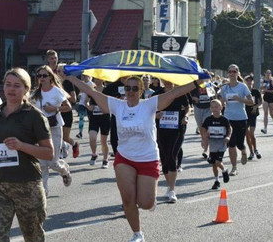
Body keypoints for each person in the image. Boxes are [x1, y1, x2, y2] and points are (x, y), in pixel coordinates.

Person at [66, 74, 206, 242]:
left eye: (134, 88)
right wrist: (70, 77)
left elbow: (175, 93)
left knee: (146, 203)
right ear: (124, 90)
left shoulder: (149, 105)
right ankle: (137, 234)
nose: (130, 91)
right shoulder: (118, 105)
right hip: (125, 157)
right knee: (128, 199)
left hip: (148, 158)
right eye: (127, 88)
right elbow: (92, 92)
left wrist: (198, 81)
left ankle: (148, 199)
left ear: (141, 91)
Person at [0, 68, 54, 241]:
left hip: (27, 185)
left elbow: (48, 152)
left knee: (33, 237)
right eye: (8, 84)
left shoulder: (34, 116)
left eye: (17, 85)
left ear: (26, 89)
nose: (11, 89)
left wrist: (21, 145)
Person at [30, 65, 73, 195]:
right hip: (40, 130)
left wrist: (55, 108)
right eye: (39, 76)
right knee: (42, 163)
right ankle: (44, 191)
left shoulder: (57, 91)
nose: (41, 78)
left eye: (44, 75)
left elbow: (69, 107)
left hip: (54, 127)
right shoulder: (35, 93)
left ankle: (64, 170)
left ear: (50, 77)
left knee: (53, 162)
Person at [152, 79, 189, 203]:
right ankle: (169, 186)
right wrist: (155, 115)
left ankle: (172, 190)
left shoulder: (180, 93)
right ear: (162, 80)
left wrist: (185, 116)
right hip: (161, 130)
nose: (168, 83)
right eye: (165, 81)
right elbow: (149, 110)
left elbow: (187, 108)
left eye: (170, 81)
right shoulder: (156, 94)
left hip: (177, 129)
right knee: (164, 158)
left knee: (172, 155)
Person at [220, 64, 254, 176]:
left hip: (241, 118)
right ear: (228, 73)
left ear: (238, 73)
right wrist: (222, 101)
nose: (232, 74)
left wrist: (240, 99)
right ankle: (234, 167)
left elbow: (251, 102)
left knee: (239, 144)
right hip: (228, 118)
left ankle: (244, 151)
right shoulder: (224, 88)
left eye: (234, 71)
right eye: (230, 72)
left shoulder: (242, 87)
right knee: (231, 144)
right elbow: (219, 102)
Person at [201, 99, 231, 190]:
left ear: (221, 107)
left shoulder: (224, 119)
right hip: (212, 144)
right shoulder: (208, 119)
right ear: (210, 108)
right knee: (214, 164)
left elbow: (230, 129)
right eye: (212, 107)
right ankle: (216, 181)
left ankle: (224, 170)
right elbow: (203, 129)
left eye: (216, 107)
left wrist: (228, 137)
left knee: (218, 162)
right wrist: (204, 138)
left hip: (222, 144)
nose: (214, 109)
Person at [86, 78, 111, 167]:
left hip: (105, 117)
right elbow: (85, 102)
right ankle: (94, 154)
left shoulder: (107, 90)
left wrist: (106, 108)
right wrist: (89, 107)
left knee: (103, 141)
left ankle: (105, 159)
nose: (97, 79)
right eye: (95, 78)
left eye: (99, 78)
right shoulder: (92, 90)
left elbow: (111, 102)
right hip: (94, 117)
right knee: (92, 137)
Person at [56, 64, 80, 158]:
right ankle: (60, 153)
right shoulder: (55, 83)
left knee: (65, 137)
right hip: (57, 112)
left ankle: (74, 144)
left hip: (67, 112)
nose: (58, 73)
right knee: (58, 135)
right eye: (57, 71)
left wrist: (63, 97)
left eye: (60, 71)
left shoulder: (68, 83)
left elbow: (74, 99)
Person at [102, 77, 127, 157]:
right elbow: (103, 97)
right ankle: (117, 154)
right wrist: (115, 100)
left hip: (132, 116)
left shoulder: (134, 84)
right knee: (115, 137)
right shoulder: (112, 87)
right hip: (117, 117)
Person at [190, 80, 215, 159]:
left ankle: (206, 150)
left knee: (206, 127)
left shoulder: (209, 85)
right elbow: (188, 94)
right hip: (198, 108)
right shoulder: (194, 85)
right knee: (200, 127)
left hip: (208, 108)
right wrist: (193, 97)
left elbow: (213, 95)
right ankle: (204, 139)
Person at [244, 75, 262, 160]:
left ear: (253, 82)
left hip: (253, 113)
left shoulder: (255, 91)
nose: (249, 82)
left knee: (251, 133)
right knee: (247, 135)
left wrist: (256, 106)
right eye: (247, 81)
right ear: (245, 82)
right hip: (244, 114)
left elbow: (260, 102)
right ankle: (251, 152)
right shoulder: (243, 91)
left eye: (250, 81)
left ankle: (255, 150)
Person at [260, 70, 273, 134]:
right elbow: (261, 88)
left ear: (271, 74)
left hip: (271, 97)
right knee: (265, 113)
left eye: (269, 73)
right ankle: (265, 128)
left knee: (271, 113)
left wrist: (267, 90)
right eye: (267, 73)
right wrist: (262, 89)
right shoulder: (263, 80)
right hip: (265, 97)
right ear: (265, 74)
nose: (268, 74)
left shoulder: (272, 81)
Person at [76, 74, 94, 139]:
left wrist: (88, 99)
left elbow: (92, 93)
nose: (83, 77)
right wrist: (79, 95)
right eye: (82, 75)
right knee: (81, 117)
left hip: (89, 103)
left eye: (84, 75)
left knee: (90, 119)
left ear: (88, 76)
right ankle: (80, 133)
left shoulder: (91, 84)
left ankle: (91, 132)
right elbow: (80, 92)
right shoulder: (82, 83)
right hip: (82, 103)